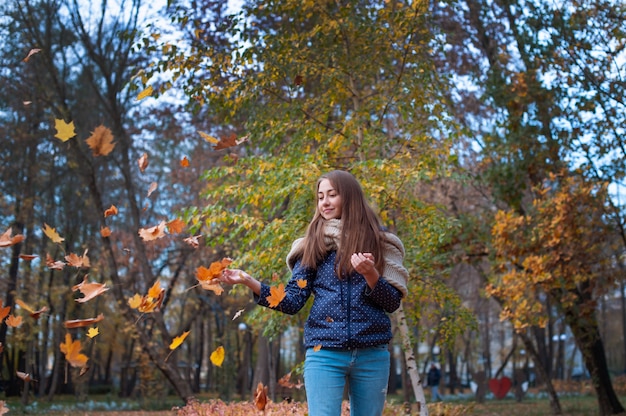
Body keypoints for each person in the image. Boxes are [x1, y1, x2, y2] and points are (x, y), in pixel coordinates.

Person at [219, 170, 409, 416]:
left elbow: (392, 302)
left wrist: (370, 273)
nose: (325, 202)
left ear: (350, 198)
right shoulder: (314, 245)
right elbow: (291, 301)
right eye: (320, 197)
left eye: (332, 195)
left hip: (372, 354)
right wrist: (249, 281)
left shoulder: (380, 244)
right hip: (325, 354)